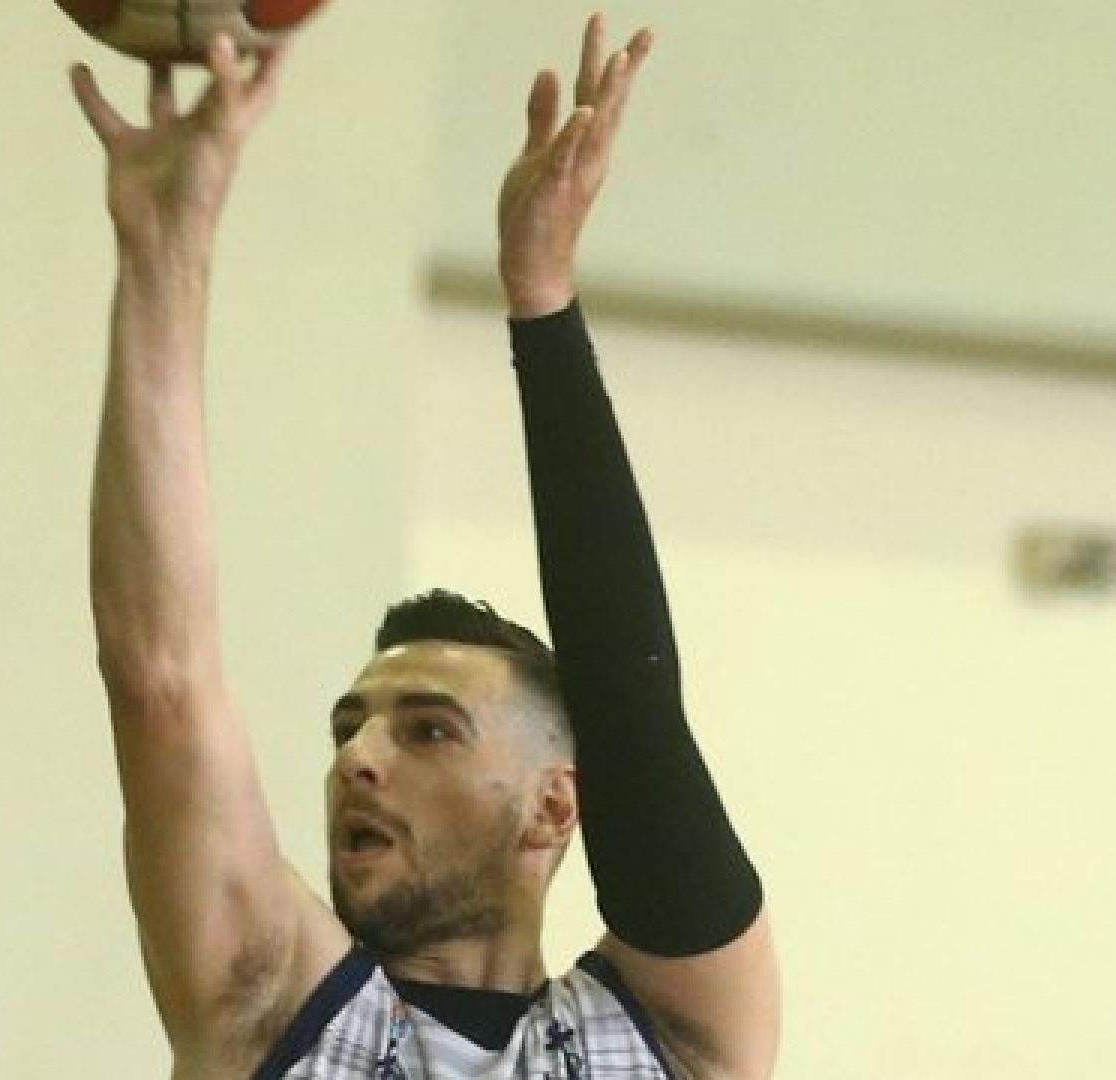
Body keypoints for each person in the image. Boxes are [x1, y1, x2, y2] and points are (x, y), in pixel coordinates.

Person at [71, 13, 778, 1079]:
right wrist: (162, 254)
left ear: (554, 805)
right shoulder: (275, 1010)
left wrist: (543, 297)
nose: (357, 759)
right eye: (350, 726)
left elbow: (633, 706)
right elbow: (160, 678)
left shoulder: (673, 1043)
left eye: (429, 731)